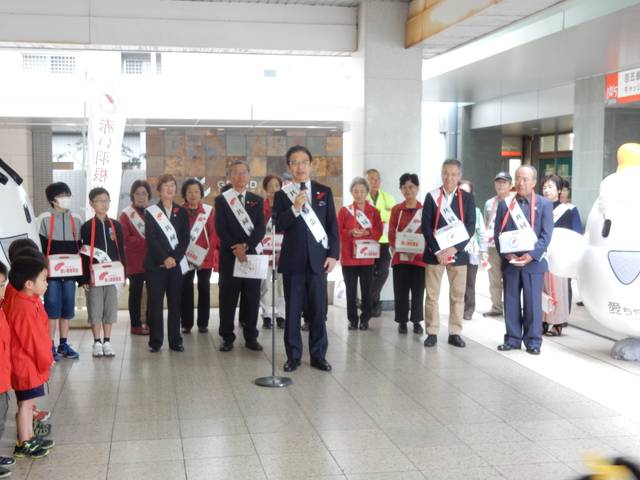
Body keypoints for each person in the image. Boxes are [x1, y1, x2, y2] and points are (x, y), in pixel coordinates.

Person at [273, 145, 339, 372]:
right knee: (292, 311)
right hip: (293, 262)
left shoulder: (324, 192)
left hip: (319, 262)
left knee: (318, 311)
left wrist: (333, 255)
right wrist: (295, 208)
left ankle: (318, 355)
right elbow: (278, 225)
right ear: (289, 167)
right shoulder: (282, 195)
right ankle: (293, 356)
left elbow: (332, 227)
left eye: (304, 162)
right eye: (295, 162)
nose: (300, 167)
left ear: (310, 165)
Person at [495, 165, 553, 355]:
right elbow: (498, 234)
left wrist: (531, 255)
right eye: (518, 178)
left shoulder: (544, 204)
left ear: (534, 182)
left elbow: (546, 235)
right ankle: (512, 339)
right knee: (510, 301)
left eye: (525, 179)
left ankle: (533, 341)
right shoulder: (505, 204)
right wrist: (508, 254)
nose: (520, 183)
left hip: (533, 263)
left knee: (533, 303)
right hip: (511, 262)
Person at [421, 159, 476, 348]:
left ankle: (455, 332)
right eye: (446, 173)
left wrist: (454, 249)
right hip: (434, 254)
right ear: (441, 174)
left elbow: (470, 227)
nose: (449, 177)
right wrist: (438, 251)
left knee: (457, 296)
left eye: (453, 174)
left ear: (459, 176)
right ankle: (432, 331)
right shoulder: (432, 197)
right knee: (432, 295)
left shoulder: (467, 198)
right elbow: (426, 227)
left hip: (458, 254)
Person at [4, 256, 55, 459]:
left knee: (27, 403)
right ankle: (24, 442)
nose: (46, 283)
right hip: (26, 364)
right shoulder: (23, 307)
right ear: (29, 284)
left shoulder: (29, 300)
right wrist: (46, 360)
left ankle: (29, 437)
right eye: (43, 279)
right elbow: (32, 340)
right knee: (26, 404)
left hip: (29, 362)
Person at [215, 161, 265, 352]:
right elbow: (221, 228)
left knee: (252, 297)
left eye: (243, 173)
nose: (239, 176)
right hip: (230, 256)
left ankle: (251, 336)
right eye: (235, 173)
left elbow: (260, 228)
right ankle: (227, 337)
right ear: (229, 177)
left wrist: (246, 245)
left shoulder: (256, 200)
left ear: (249, 177)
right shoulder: (222, 200)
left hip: (250, 255)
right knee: (228, 298)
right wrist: (235, 247)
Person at [144, 174, 190, 353]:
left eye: (173, 185)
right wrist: (164, 258)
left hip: (175, 267)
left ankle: (175, 340)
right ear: (159, 190)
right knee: (155, 304)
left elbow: (185, 238)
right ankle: (155, 342)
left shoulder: (182, 212)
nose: (170, 189)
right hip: (156, 265)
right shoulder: (151, 212)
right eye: (166, 186)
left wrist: (175, 258)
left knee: (175, 303)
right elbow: (151, 239)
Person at [80, 188, 126, 358]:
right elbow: (84, 254)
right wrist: (83, 277)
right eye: (100, 200)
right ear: (92, 204)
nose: (104, 204)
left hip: (112, 275)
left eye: (107, 200)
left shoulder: (116, 225)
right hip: (94, 276)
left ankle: (107, 341)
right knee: (95, 308)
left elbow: (121, 250)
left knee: (110, 308)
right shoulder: (86, 227)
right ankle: (96, 342)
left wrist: (124, 273)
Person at [38, 182, 82, 361]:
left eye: (67, 194)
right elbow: (40, 248)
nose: (66, 198)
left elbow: (80, 247)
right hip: (52, 275)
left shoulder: (76, 219)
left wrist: (82, 277)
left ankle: (64, 343)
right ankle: (49, 345)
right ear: (53, 200)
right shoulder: (44, 219)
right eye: (62, 195)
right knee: (52, 311)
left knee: (67, 310)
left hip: (70, 273)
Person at [338, 177, 383, 331]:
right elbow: (337, 231)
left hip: (367, 258)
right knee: (350, 292)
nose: (359, 194)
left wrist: (367, 232)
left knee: (367, 291)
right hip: (349, 257)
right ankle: (352, 319)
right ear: (351, 193)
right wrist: (350, 232)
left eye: (362, 191)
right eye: (355, 191)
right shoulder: (345, 211)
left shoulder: (374, 212)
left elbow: (379, 231)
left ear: (367, 193)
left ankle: (365, 319)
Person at [541, 174, 583, 336]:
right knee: (543, 288)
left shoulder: (569, 210)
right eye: (544, 187)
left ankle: (559, 322)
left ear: (559, 190)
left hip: (560, 256)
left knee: (560, 290)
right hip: (542, 255)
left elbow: (576, 233)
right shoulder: (538, 208)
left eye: (550, 187)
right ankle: (544, 320)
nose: (546, 190)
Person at [388, 173, 426, 335]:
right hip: (400, 258)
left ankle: (417, 321)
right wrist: (401, 249)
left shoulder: (424, 209)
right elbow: (391, 231)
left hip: (419, 260)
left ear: (417, 188)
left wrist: (416, 252)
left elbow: (428, 233)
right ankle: (402, 321)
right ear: (401, 189)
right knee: (401, 291)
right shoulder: (397, 209)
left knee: (418, 292)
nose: (408, 190)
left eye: (411, 186)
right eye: (404, 187)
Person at [180, 178, 218, 334]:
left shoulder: (208, 211)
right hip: (185, 257)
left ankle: (203, 323)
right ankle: (186, 323)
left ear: (201, 193)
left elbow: (214, 235)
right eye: (189, 192)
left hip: (204, 258)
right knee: (186, 289)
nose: (193, 194)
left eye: (196, 191)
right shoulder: (179, 211)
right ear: (184, 194)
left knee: (204, 288)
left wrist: (205, 258)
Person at [119, 180, 151, 336]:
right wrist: (148, 241)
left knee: (154, 293)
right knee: (136, 293)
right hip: (134, 261)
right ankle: (136, 324)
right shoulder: (126, 215)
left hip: (153, 261)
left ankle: (152, 323)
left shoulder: (153, 212)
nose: (141, 196)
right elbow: (125, 238)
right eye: (137, 193)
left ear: (148, 196)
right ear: (132, 195)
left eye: (144, 193)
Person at [482, 172, 513, 317]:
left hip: (510, 246)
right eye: (498, 182)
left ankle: (510, 307)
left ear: (510, 185)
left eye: (504, 182)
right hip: (493, 246)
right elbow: (485, 223)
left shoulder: (515, 201)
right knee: (494, 277)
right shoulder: (489, 203)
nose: (501, 185)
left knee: (510, 277)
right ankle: (496, 306)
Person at [366, 169, 395, 317]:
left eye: (377, 179)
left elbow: (393, 219)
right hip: (368, 240)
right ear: (366, 181)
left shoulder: (388, 198)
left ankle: (370, 300)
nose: (375, 182)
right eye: (371, 179)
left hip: (384, 241)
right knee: (369, 274)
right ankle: (374, 304)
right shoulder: (362, 198)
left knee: (383, 271)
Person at [459, 180, 489, 320]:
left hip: (471, 251)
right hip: (457, 251)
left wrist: (484, 251)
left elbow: (482, 232)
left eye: (466, 192)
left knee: (470, 282)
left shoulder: (476, 212)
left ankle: (469, 309)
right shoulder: (453, 209)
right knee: (457, 281)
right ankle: (457, 307)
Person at [260, 174, 285, 330]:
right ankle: (266, 315)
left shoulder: (286, 207)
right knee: (265, 284)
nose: (273, 190)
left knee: (282, 285)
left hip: (283, 251)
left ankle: (281, 314)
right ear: (265, 189)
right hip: (264, 251)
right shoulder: (260, 208)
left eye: (277, 186)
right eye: (270, 187)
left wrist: (281, 251)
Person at [0, 261, 17, 474]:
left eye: (3, 284)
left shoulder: (2, 309)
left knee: (1, 417)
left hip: (3, 379)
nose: (2, 289)